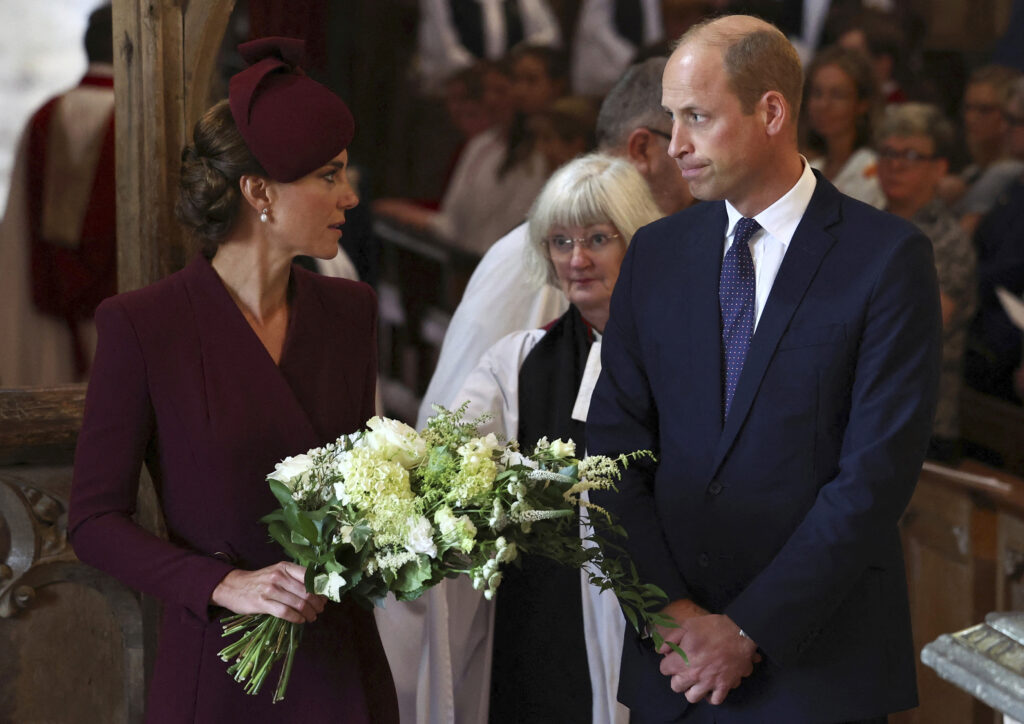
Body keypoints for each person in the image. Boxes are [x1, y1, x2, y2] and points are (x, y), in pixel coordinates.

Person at [588, 15, 941, 723]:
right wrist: (669, 613)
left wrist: (748, 630)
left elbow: (874, 478)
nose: (676, 145)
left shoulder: (886, 259)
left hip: (817, 668)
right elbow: (611, 453)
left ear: (772, 111)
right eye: (672, 118)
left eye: (697, 117)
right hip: (675, 665)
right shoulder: (656, 253)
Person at [68, 38, 399, 723]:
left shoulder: (351, 311)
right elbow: (94, 520)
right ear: (258, 192)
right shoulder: (142, 325)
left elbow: (364, 484)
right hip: (221, 672)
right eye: (329, 175)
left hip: (342, 666)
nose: (350, 194)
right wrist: (224, 583)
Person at [455, 153, 662, 723]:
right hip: (546, 618)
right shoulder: (516, 363)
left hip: (661, 613)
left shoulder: (688, 356)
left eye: (599, 237)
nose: (578, 259)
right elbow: (452, 464)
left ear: (639, 242)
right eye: (560, 240)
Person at [415, 56, 693, 430]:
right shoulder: (524, 258)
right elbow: (447, 433)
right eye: (688, 143)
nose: (576, 259)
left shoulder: (664, 250)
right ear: (643, 148)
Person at [0, 4, 115, 387]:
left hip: (46, 302)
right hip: (117, 303)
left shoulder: (43, 117)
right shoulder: (136, 116)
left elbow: (16, 230)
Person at [875, 103, 977, 463]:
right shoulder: (864, 225)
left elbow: (915, 334)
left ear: (940, 168)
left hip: (919, 429)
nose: (896, 164)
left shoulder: (948, 242)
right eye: (888, 152)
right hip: (860, 414)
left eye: (912, 155)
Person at [940, 65, 1024, 235]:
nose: (970, 118)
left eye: (984, 110)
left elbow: (961, 239)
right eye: (968, 108)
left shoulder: (1006, 172)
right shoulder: (974, 172)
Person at [804, 45, 886, 208]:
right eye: (817, 93)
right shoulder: (812, 167)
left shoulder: (874, 169)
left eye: (838, 95)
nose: (823, 105)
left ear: (862, 104)